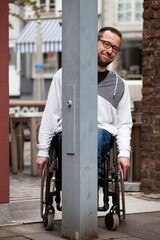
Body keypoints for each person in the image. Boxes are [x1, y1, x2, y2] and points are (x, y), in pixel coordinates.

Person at [36, 26, 132, 179]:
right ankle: (78, 185)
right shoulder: (65, 74)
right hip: (67, 134)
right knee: (72, 136)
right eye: (106, 44)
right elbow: (51, 114)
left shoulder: (119, 85)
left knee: (95, 134)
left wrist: (124, 153)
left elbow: (124, 124)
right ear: (94, 42)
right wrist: (43, 151)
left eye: (115, 48)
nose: (110, 51)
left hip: (101, 134)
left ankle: (86, 186)